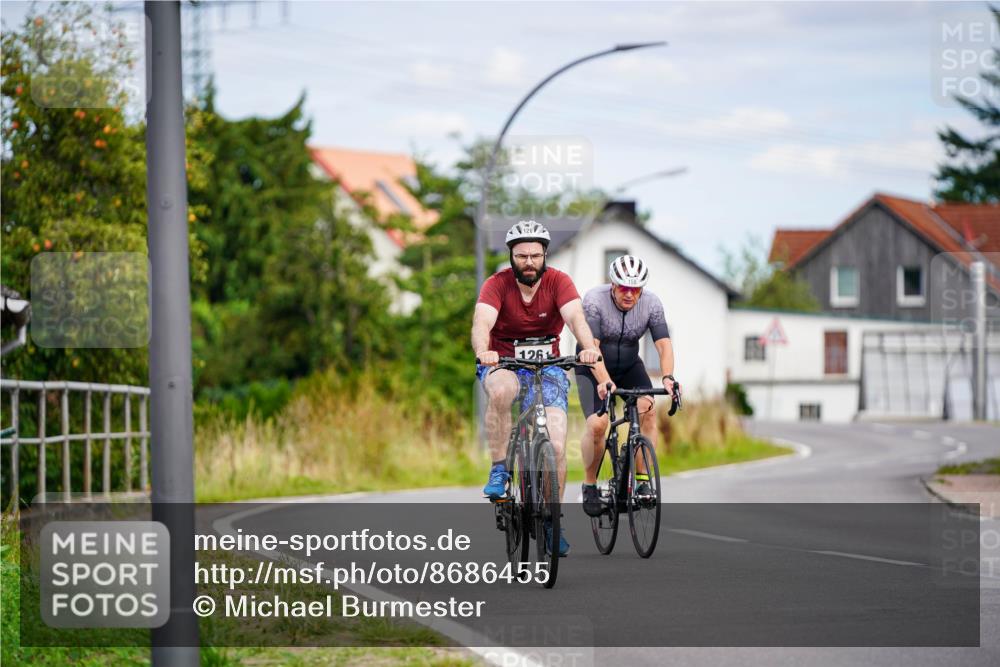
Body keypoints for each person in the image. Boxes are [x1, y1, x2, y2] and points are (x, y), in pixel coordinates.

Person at [471, 220, 602, 557]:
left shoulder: (559, 281)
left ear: (544, 255)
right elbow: (481, 322)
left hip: (549, 366)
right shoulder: (496, 284)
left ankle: (552, 520)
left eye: (535, 255)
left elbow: (576, 319)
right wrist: (484, 351)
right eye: (521, 256)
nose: (528, 262)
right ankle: (500, 470)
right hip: (504, 362)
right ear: (511, 257)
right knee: (501, 392)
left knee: (556, 445)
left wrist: (588, 347)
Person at [575, 254, 680, 517]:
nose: (630, 294)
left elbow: (663, 345)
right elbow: (592, 347)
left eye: (636, 289)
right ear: (613, 284)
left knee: (648, 409)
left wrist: (668, 377)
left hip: (630, 365)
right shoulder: (594, 300)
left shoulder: (651, 304)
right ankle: (590, 485)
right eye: (624, 288)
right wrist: (605, 381)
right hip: (592, 366)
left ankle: (642, 481)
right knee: (598, 425)